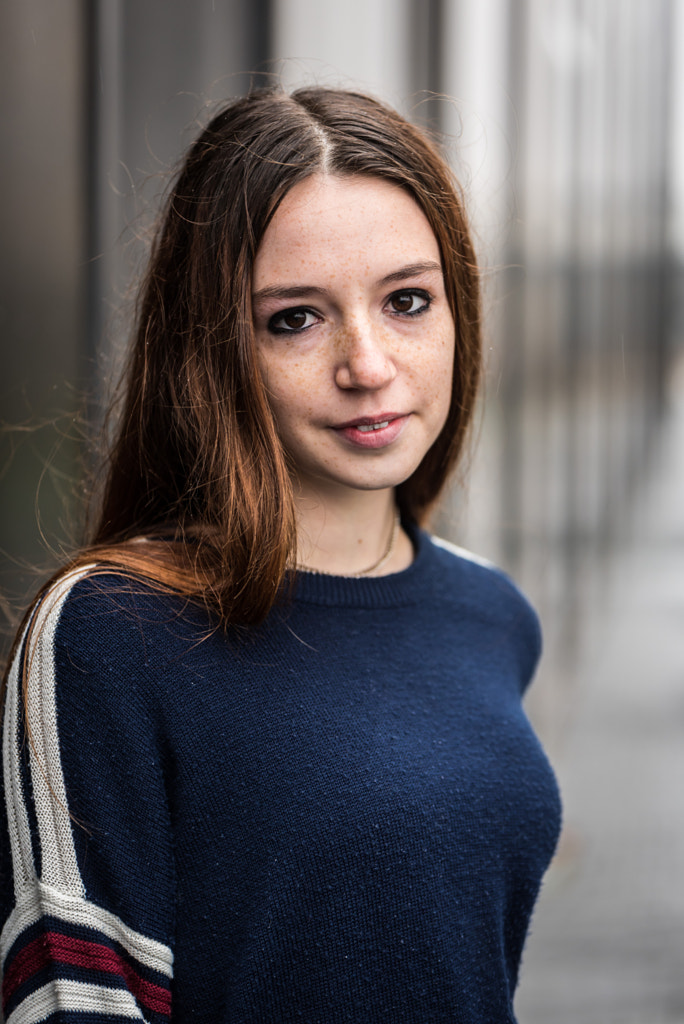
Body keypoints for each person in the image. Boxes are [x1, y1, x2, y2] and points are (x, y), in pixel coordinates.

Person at [0, 87, 561, 1023]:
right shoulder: (112, 631)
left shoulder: (492, 614)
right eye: (295, 318)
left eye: (408, 301)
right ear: (213, 351)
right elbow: (74, 1000)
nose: (369, 364)